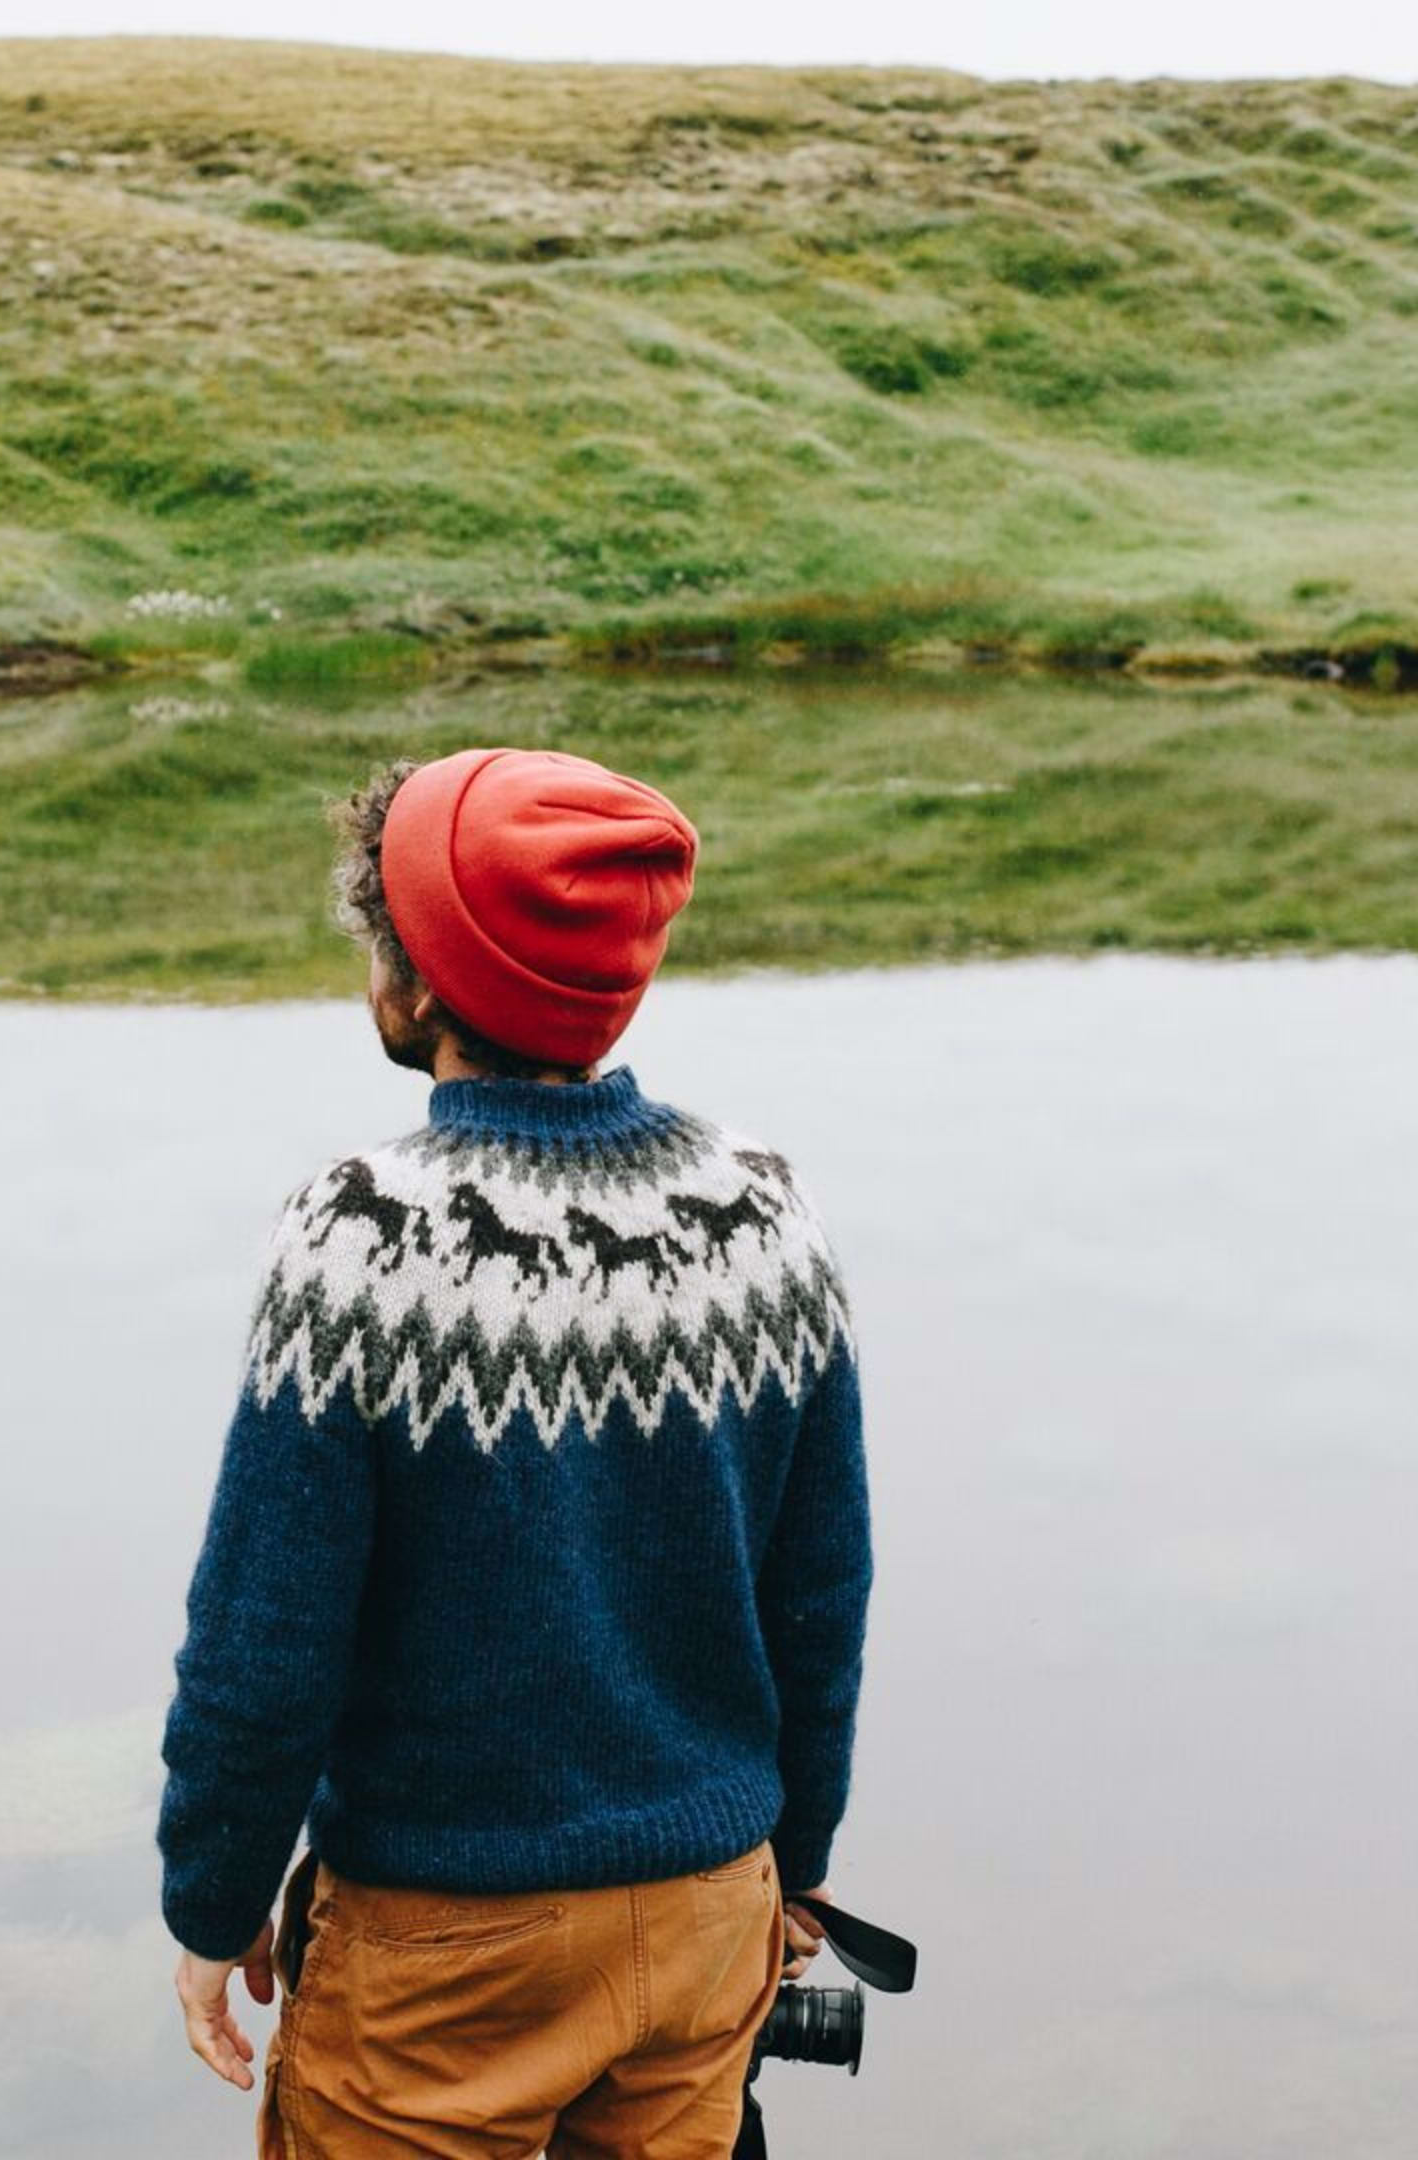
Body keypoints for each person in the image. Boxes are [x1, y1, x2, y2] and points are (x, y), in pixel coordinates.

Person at [155, 745, 877, 2159]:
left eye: (384, 939)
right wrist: (800, 1873)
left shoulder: (366, 1238)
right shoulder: (763, 1218)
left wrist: (215, 1895)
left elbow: (264, 1639)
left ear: (422, 982)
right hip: (711, 1912)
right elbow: (823, 1598)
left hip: (446, 1949)